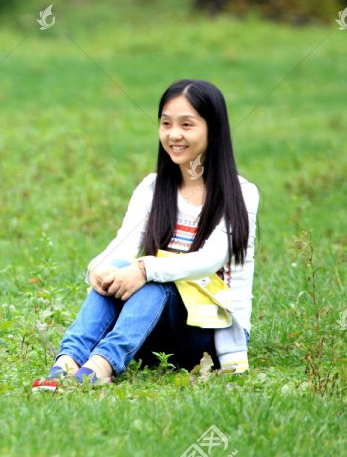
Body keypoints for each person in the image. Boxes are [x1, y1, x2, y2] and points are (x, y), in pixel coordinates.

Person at [32, 79, 259, 391]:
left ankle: (99, 367)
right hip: (155, 332)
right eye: (166, 123)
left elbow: (210, 259)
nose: (173, 134)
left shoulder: (241, 193)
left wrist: (144, 269)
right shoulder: (152, 188)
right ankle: (66, 363)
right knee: (121, 266)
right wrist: (100, 267)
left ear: (213, 128)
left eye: (187, 124)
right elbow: (124, 242)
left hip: (207, 334)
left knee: (154, 280)